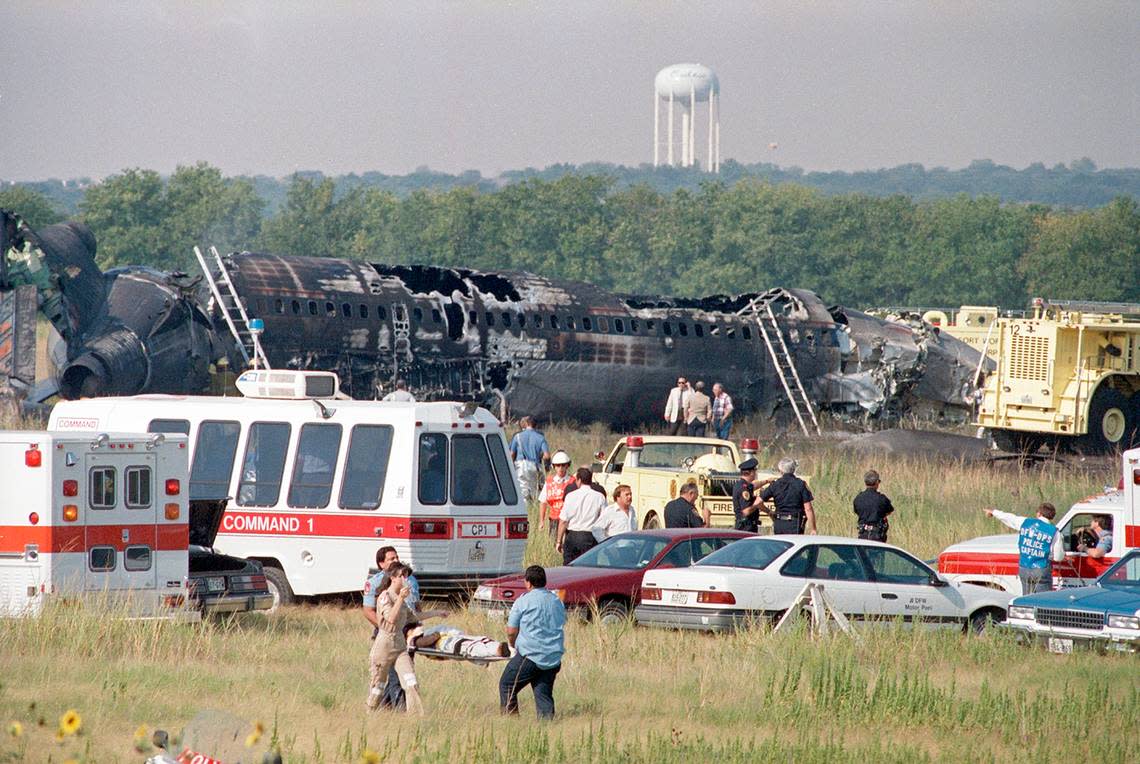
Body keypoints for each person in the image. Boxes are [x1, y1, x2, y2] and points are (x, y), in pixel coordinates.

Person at [366, 564, 443, 714]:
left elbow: (413, 617)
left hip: (400, 646)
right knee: (378, 686)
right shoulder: (385, 597)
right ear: (393, 578)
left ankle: (415, 717)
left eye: (406, 575)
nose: (405, 579)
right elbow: (391, 619)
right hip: (384, 645)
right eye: (402, 575)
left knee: (411, 682)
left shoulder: (402, 600)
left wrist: (437, 612)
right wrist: (401, 598)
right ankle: (370, 712)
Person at [500, 565, 566, 720]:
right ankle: (547, 729)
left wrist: (512, 645)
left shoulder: (523, 601)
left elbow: (511, 631)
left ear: (528, 583)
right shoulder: (557, 601)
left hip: (530, 656)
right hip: (553, 658)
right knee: (543, 693)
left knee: (507, 685)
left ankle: (511, 724)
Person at [362, 546, 422, 710]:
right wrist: (387, 629)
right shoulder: (376, 584)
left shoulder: (410, 580)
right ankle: (387, 708)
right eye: (391, 559)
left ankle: (399, 710)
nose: (396, 560)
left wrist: (416, 628)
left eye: (396, 557)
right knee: (384, 680)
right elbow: (368, 611)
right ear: (381, 564)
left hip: (407, 633)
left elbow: (416, 606)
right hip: (388, 635)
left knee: (406, 677)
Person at [983, 503, 1065, 593]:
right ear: (1052, 516)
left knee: (1027, 600)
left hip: (1024, 567)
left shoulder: (1025, 522)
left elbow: (1010, 518)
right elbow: (1058, 557)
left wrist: (993, 512)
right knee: (1043, 601)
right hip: (1041, 569)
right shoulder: (1055, 532)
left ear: (1039, 514)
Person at [556, 467, 608, 564]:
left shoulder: (571, 496)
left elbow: (563, 521)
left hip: (572, 536)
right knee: (588, 569)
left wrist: (559, 541)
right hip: (590, 537)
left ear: (579, 480)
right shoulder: (599, 496)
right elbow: (604, 519)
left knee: (569, 568)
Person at [760, 458, 817, 535]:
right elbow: (808, 509)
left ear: (780, 470)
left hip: (779, 523)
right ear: (794, 470)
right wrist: (813, 528)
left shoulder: (775, 485)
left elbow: (757, 502)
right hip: (795, 523)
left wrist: (769, 512)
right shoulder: (800, 484)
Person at [509, 416, 550, 503]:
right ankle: (535, 509)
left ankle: (526, 511)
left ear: (527, 423)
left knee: (523, 492)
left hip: (521, 466)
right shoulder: (541, 437)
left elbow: (511, 454)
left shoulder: (517, 436)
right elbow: (547, 456)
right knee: (536, 492)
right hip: (535, 466)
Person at [853, 469, 894, 542]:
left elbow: (856, 511)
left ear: (865, 483)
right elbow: (890, 510)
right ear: (877, 482)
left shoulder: (858, 499)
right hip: (877, 536)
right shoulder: (882, 499)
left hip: (862, 535)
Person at [539, 451, 575, 534]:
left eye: (563, 465)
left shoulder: (573, 481)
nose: (561, 468)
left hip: (569, 520)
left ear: (567, 466)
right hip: (554, 519)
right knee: (554, 543)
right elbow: (543, 502)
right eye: (558, 465)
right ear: (554, 466)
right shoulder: (549, 482)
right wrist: (541, 521)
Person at [731, 458, 769, 533]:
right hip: (746, 527)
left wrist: (767, 481)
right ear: (750, 472)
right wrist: (756, 504)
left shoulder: (744, 485)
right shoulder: (743, 489)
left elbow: (754, 485)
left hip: (748, 526)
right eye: (754, 471)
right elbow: (746, 511)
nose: (755, 473)